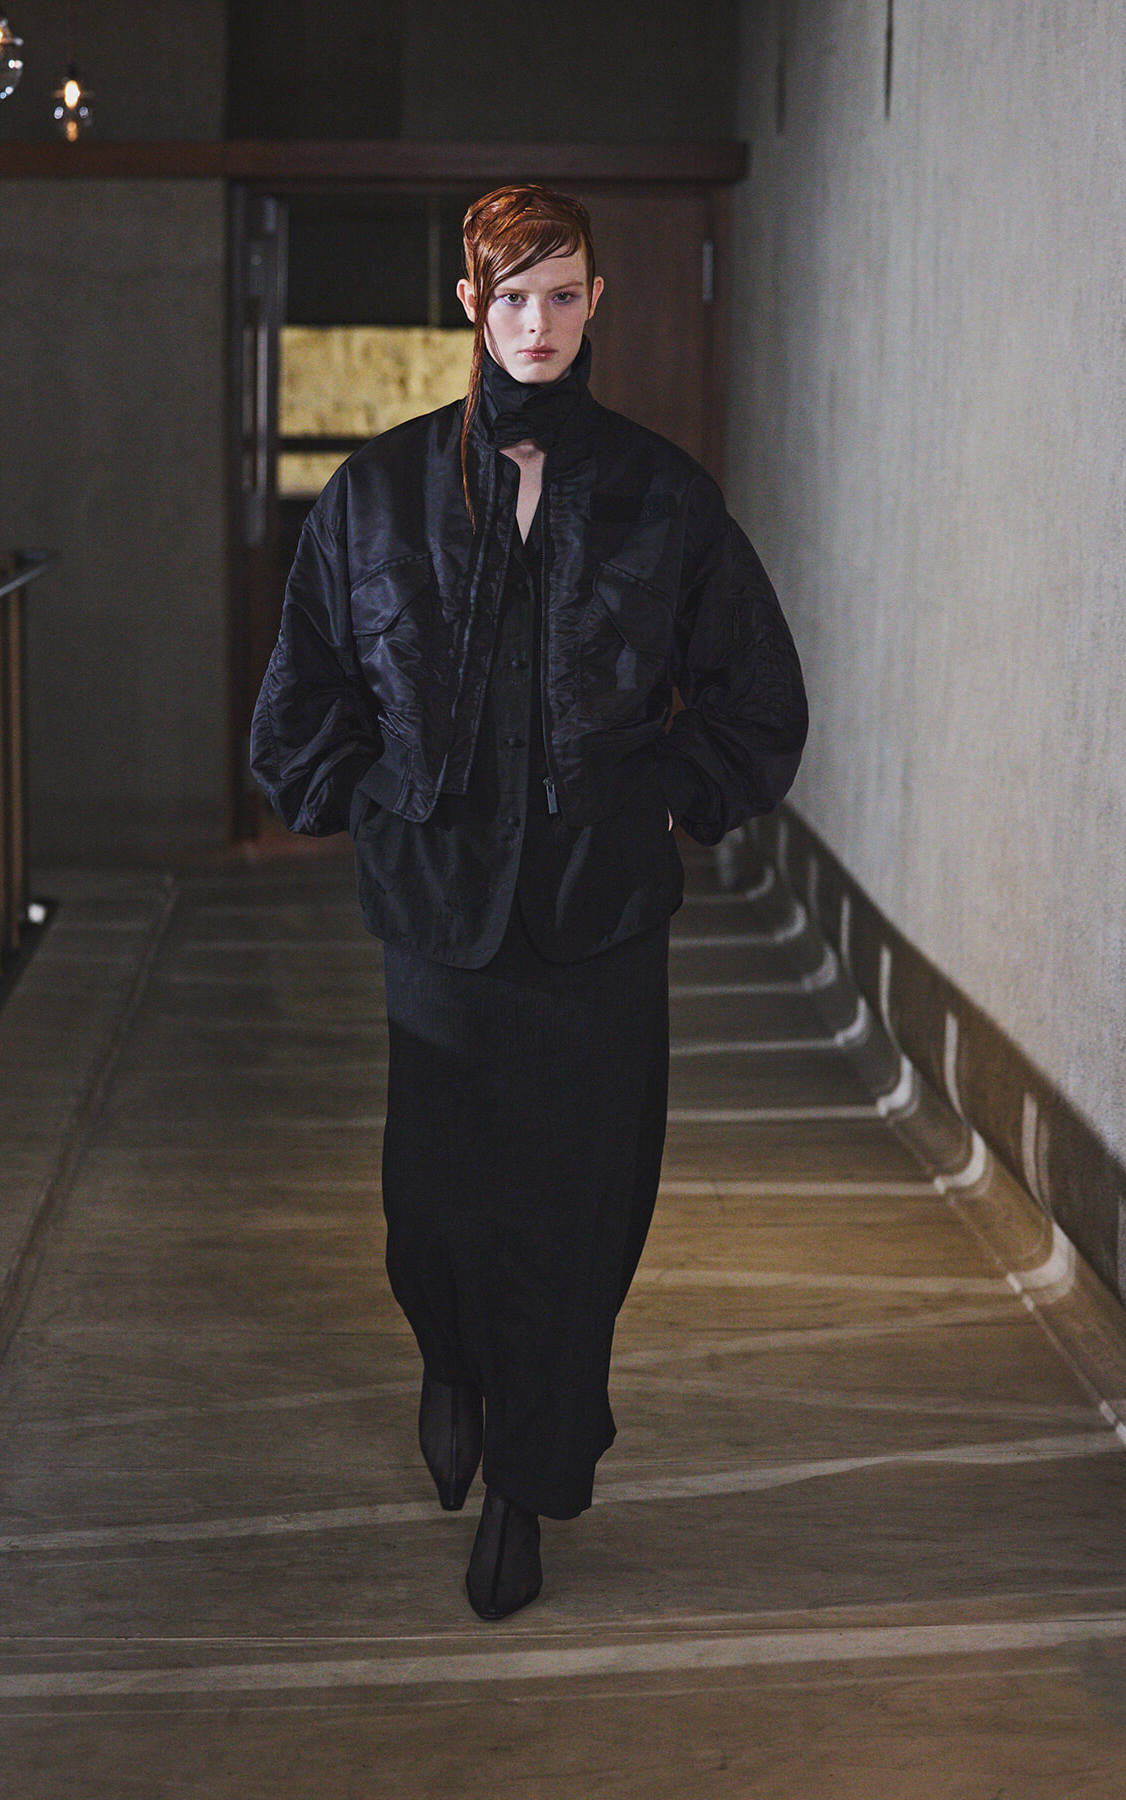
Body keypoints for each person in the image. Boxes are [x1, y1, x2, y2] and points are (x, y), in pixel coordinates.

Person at [251, 184, 807, 1621]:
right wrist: (371, 803)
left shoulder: (664, 496)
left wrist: (666, 801)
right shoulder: (374, 497)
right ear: (470, 307)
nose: (540, 323)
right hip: (437, 917)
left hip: (599, 921)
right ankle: (454, 1357)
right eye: (514, 297)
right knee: (434, 1211)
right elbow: (298, 707)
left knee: (577, 1214)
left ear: (598, 303)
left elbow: (759, 697)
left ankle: (529, 1490)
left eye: (565, 295)